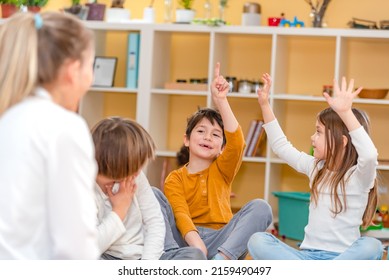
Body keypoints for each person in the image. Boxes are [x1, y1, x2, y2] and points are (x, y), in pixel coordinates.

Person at [248, 74, 383, 260]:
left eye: (318, 132)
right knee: (258, 240)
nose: (312, 137)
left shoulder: (358, 177)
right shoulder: (315, 168)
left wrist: (345, 113)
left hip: (342, 259)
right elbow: (281, 147)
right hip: (308, 257)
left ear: (342, 141)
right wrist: (264, 104)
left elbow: (368, 155)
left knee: (372, 246)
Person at [0, 12, 98, 259]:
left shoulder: (10, 118)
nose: (92, 78)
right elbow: (75, 247)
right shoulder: (63, 127)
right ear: (72, 70)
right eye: (91, 66)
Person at [163, 63, 273, 260]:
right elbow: (181, 216)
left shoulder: (223, 169)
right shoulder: (174, 179)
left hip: (222, 240)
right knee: (154, 196)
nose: (207, 138)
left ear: (222, 147)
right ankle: (173, 256)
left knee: (261, 207)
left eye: (215, 135)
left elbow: (237, 143)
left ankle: (221, 261)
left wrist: (221, 100)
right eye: (201, 131)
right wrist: (198, 248)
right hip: (187, 240)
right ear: (186, 139)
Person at [91, 117, 206, 260]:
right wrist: (118, 211)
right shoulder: (84, 189)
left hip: (144, 257)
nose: (138, 172)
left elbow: (155, 223)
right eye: (134, 167)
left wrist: (147, 267)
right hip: (106, 257)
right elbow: (89, 247)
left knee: (195, 256)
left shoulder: (135, 177)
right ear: (116, 166)